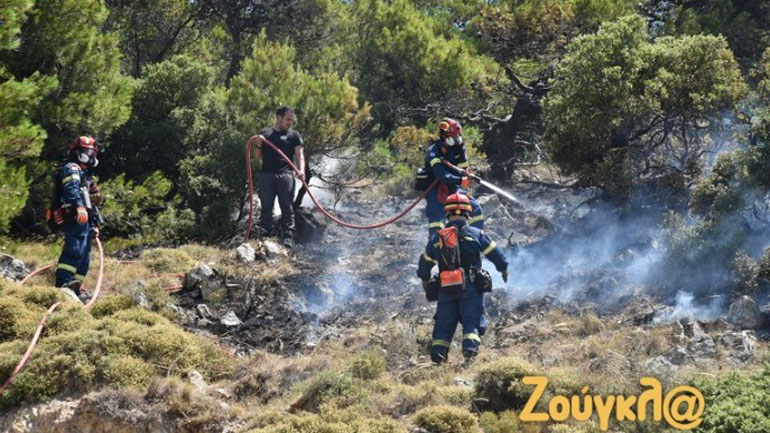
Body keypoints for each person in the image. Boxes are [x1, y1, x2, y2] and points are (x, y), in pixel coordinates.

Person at [417, 192, 508, 365]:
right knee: (471, 320)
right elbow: (495, 254)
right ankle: (469, 353)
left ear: (447, 213)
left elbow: (425, 263)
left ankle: (438, 358)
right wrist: (503, 268)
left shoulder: (438, 238)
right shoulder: (476, 234)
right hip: (471, 288)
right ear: (468, 213)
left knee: (444, 324)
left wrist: (425, 279)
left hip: (446, 288)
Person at [247, 106, 306, 249]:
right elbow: (257, 157)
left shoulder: (294, 135)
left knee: (287, 207)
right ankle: (266, 233)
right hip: (267, 174)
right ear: (279, 118)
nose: (290, 123)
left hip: (286, 175)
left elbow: (300, 155)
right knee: (266, 206)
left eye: (291, 120)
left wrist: (301, 170)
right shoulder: (265, 133)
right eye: (287, 119)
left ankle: (288, 236)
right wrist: (259, 144)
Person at [51, 136, 103, 297]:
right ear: (78, 152)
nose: (91, 156)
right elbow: (71, 189)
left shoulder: (86, 176)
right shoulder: (72, 168)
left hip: (86, 220)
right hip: (74, 216)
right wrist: (78, 206)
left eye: (93, 152)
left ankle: (76, 287)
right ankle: (63, 284)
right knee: (74, 250)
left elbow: (92, 204)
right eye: (88, 152)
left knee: (85, 257)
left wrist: (95, 224)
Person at [422, 118, 484, 237]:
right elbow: (441, 175)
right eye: (453, 136)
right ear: (445, 135)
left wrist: (468, 173)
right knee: (437, 219)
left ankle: (475, 239)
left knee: (475, 209)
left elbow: (463, 165)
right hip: (435, 189)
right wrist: (461, 180)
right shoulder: (434, 152)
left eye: (458, 135)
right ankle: (435, 249)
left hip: (453, 187)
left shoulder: (458, 146)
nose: (457, 138)